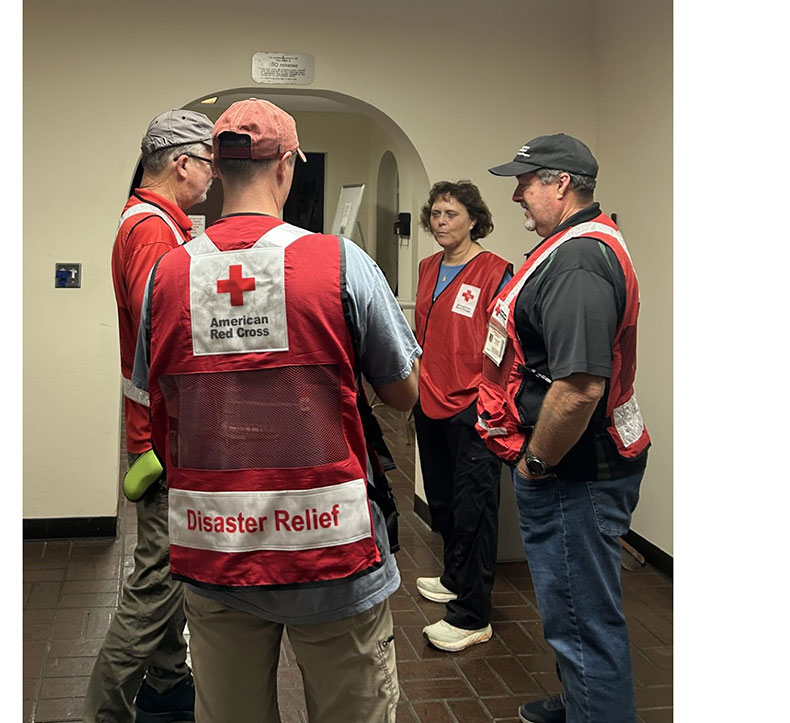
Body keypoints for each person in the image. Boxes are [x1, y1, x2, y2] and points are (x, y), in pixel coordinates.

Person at [132, 98, 421, 723]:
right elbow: (404, 393)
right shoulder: (340, 262)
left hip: (215, 547)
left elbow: (156, 406)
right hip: (332, 549)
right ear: (286, 167)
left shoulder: (168, 275)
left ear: (216, 168)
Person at [477, 133, 651, 723]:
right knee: (571, 608)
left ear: (561, 184)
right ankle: (582, 702)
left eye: (526, 182)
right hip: (575, 464)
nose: (518, 195)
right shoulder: (570, 245)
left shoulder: (576, 260)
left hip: (574, 469)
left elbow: (579, 389)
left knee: (582, 615)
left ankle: (595, 709)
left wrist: (535, 465)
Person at [83, 107, 215, 723]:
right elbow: (164, 329)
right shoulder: (151, 231)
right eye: (209, 163)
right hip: (160, 438)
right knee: (156, 584)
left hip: (156, 432)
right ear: (181, 164)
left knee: (162, 574)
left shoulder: (159, 222)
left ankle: (167, 686)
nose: (214, 175)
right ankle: (105, 710)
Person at [412, 180, 511, 652]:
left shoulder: (496, 271)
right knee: (444, 501)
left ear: (474, 219)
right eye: (435, 214)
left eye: (450, 214)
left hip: (473, 405)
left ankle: (473, 615)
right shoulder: (428, 267)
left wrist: (487, 404)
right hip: (429, 400)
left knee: (475, 510)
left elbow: (506, 346)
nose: (440, 222)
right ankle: (454, 578)